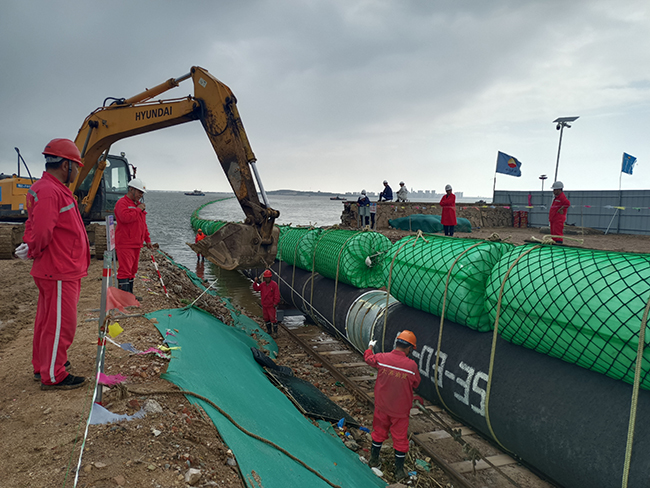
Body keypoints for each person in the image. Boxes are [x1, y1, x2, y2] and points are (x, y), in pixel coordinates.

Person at [16, 138, 90, 390]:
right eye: (77, 166)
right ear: (66, 164)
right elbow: (42, 231)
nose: (78, 171)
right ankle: (53, 374)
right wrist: (33, 248)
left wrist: (32, 246)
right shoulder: (50, 191)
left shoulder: (50, 189)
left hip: (58, 268)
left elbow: (36, 226)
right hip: (59, 269)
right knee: (62, 323)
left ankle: (44, 365)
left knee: (48, 321)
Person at [364, 331, 421, 482]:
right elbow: (416, 383)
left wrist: (370, 347)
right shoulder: (411, 366)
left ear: (397, 343)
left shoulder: (382, 358)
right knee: (400, 439)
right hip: (400, 410)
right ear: (410, 348)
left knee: (379, 431)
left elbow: (368, 358)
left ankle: (374, 460)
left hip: (382, 405)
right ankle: (399, 471)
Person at [114, 178, 153, 295]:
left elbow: (143, 225)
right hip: (125, 243)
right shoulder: (122, 203)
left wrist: (147, 239)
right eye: (139, 192)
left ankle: (129, 295)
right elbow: (125, 218)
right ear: (131, 189)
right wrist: (138, 209)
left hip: (136, 243)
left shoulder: (137, 205)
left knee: (132, 271)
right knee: (125, 270)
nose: (141, 195)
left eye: (142, 193)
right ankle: (124, 298)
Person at [253, 269, 281, 336]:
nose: (267, 279)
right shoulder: (262, 285)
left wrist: (275, 303)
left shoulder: (274, 285)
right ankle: (269, 331)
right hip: (265, 305)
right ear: (264, 278)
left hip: (271, 305)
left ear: (270, 277)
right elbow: (256, 289)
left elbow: (277, 294)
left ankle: (275, 332)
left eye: (268, 277)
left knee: (273, 318)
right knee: (266, 318)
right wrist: (255, 282)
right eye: (266, 277)